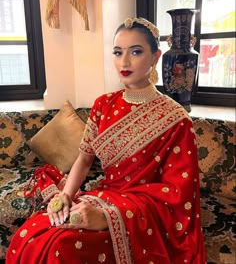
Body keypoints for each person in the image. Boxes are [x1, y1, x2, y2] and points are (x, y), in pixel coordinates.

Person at [6, 17, 206, 264]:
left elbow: (178, 195)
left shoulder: (176, 119)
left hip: (139, 215)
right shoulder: (104, 104)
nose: (124, 62)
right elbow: (84, 158)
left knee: (61, 246)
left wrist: (109, 217)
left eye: (136, 51)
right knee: (33, 234)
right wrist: (67, 194)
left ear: (156, 57)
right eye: (117, 52)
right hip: (106, 194)